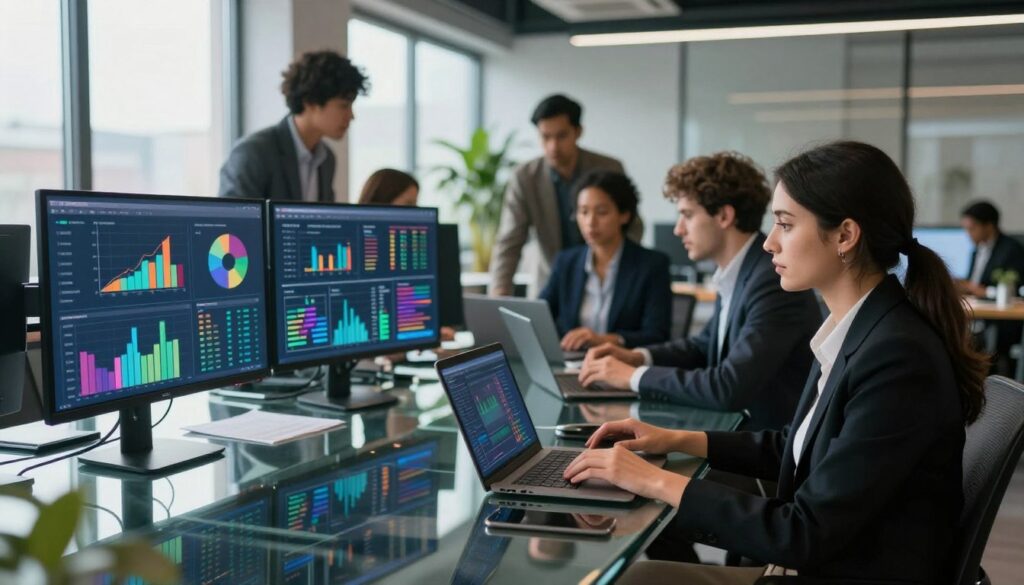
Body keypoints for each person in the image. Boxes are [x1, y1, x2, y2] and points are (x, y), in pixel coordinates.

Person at [563, 141, 988, 583]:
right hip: (824, 562)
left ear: (845, 235)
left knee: (637, 578)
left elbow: (803, 533)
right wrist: (672, 438)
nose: (769, 243)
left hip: (836, 570)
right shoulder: (864, 330)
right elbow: (796, 446)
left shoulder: (896, 356)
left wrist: (653, 482)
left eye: (785, 224)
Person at [577, 152, 820, 431]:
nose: (679, 230)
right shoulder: (741, 270)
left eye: (687, 215)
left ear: (724, 216)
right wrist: (638, 356)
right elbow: (703, 346)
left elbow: (727, 387)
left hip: (766, 453)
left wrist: (633, 377)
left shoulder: (772, 279)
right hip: (735, 434)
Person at [489, 94, 642, 296]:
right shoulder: (525, 177)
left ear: (578, 132)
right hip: (551, 285)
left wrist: (622, 273)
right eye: (545, 137)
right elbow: (510, 241)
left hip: (607, 283)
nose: (553, 146)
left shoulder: (608, 168)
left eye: (561, 136)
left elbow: (632, 226)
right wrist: (499, 293)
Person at [540, 170, 670, 350]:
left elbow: (657, 335)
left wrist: (605, 339)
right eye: (583, 212)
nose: (590, 222)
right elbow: (539, 316)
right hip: (572, 363)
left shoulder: (652, 265)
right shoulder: (566, 262)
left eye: (601, 212)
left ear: (624, 215)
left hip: (623, 367)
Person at [219, 50, 368, 201]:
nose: (351, 116)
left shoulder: (327, 159)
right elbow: (233, 220)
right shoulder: (253, 153)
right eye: (343, 106)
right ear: (310, 102)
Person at [958, 200, 1024, 375]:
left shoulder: (1011, 249)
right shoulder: (976, 251)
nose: (968, 234)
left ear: (989, 226)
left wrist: (983, 291)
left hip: (1000, 321)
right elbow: (972, 283)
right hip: (975, 315)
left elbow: (1015, 290)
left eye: (972, 228)